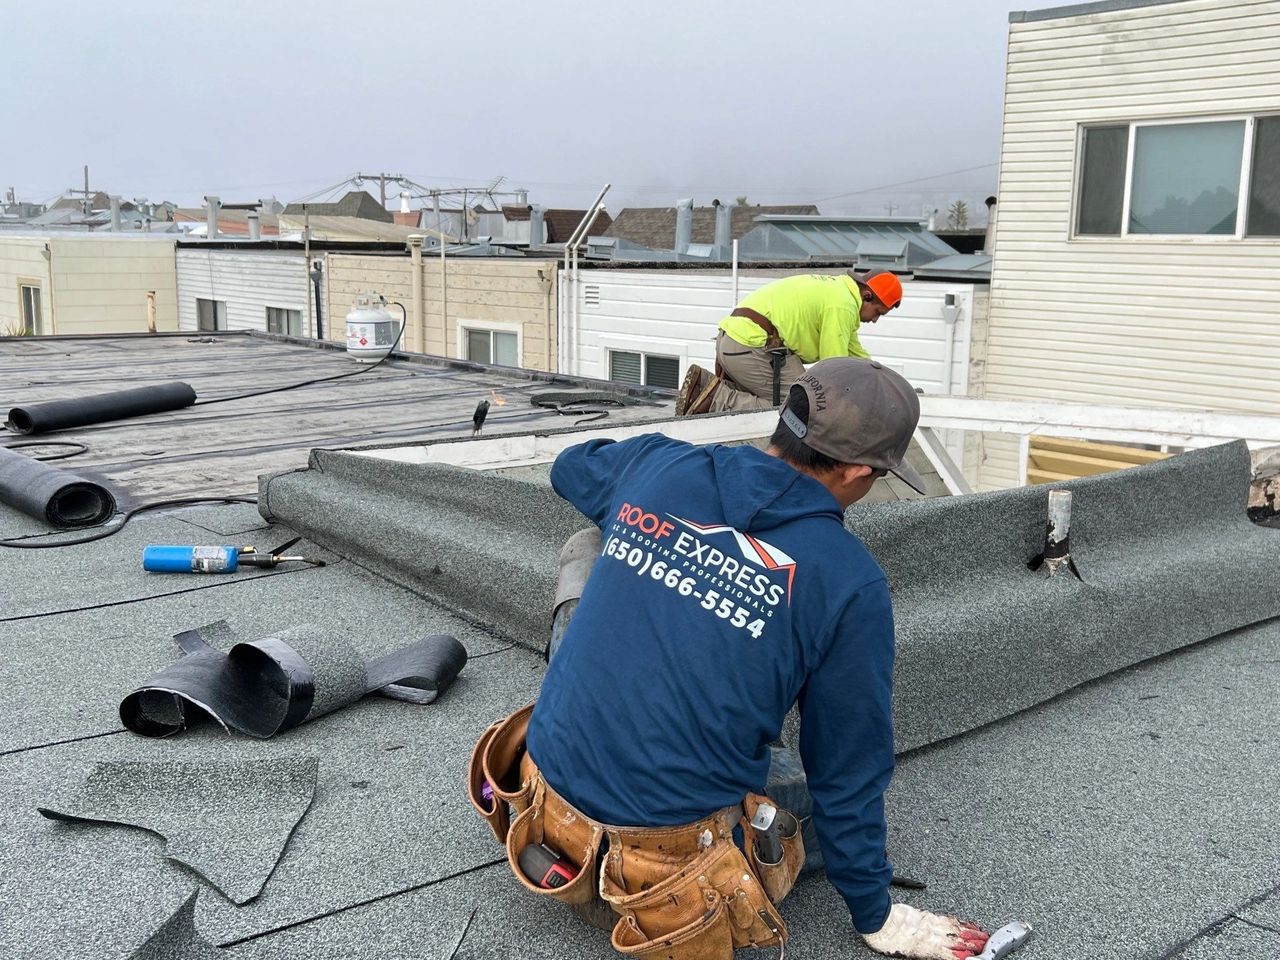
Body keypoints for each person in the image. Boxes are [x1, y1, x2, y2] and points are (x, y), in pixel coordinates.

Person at [471, 357, 990, 959]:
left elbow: (570, 468)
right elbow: (846, 769)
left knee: (592, 545)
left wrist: (661, 526)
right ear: (855, 469)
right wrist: (877, 914)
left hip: (539, 800)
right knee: (820, 799)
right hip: (664, 873)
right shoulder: (848, 580)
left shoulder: (661, 462)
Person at [676, 270, 903, 416]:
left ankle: (704, 385)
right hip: (749, 346)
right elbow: (834, 367)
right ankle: (715, 399)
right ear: (867, 296)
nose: (874, 320)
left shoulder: (840, 295)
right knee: (803, 404)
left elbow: (855, 356)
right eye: (878, 313)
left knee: (801, 391)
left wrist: (883, 383)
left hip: (740, 342)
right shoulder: (842, 305)